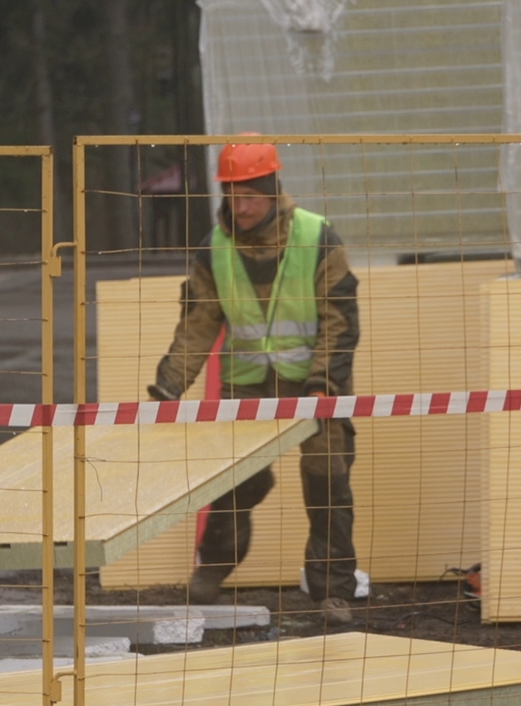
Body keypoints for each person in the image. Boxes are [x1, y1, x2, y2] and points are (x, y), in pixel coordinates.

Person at [149, 141, 362, 625]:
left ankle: (333, 589)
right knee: (233, 480)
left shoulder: (317, 237)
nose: (240, 206)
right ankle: (213, 571)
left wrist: (323, 382)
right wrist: (168, 385)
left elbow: (339, 319)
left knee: (328, 480)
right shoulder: (215, 249)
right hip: (245, 387)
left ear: (272, 192)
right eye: (232, 194)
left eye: (250, 196)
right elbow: (198, 323)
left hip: (315, 384)